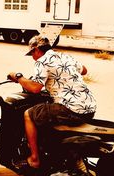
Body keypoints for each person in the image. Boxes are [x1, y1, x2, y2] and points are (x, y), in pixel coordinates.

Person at [8, 35, 96, 168]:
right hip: (89, 107)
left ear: (36, 50)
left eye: (32, 54)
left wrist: (18, 77)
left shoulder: (42, 61)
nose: (32, 57)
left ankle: (34, 159)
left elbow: (35, 88)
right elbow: (84, 70)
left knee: (29, 115)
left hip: (71, 109)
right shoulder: (66, 56)